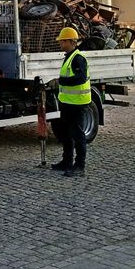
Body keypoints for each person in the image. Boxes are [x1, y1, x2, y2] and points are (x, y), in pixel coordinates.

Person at [51, 27, 91, 177]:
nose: (60, 43)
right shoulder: (69, 57)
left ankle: (80, 165)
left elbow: (80, 78)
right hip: (68, 102)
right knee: (66, 133)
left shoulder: (78, 58)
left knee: (77, 134)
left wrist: (61, 81)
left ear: (71, 42)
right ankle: (66, 161)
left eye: (63, 41)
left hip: (77, 103)